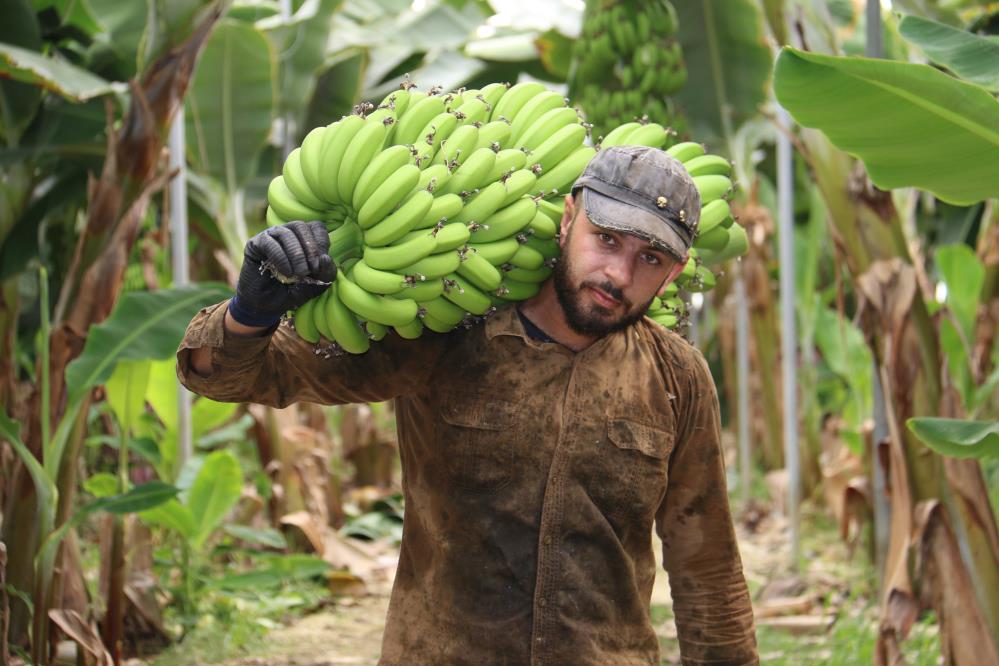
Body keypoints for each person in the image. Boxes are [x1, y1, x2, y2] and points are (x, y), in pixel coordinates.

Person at [178, 145, 758, 664]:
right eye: (606, 239)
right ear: (567, 220)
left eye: (649, 259)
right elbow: (244, 376)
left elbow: (705, 565)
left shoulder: (677, 377)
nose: (618, 273)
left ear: (675, 271)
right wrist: (250, 313)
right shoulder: (445, 330)